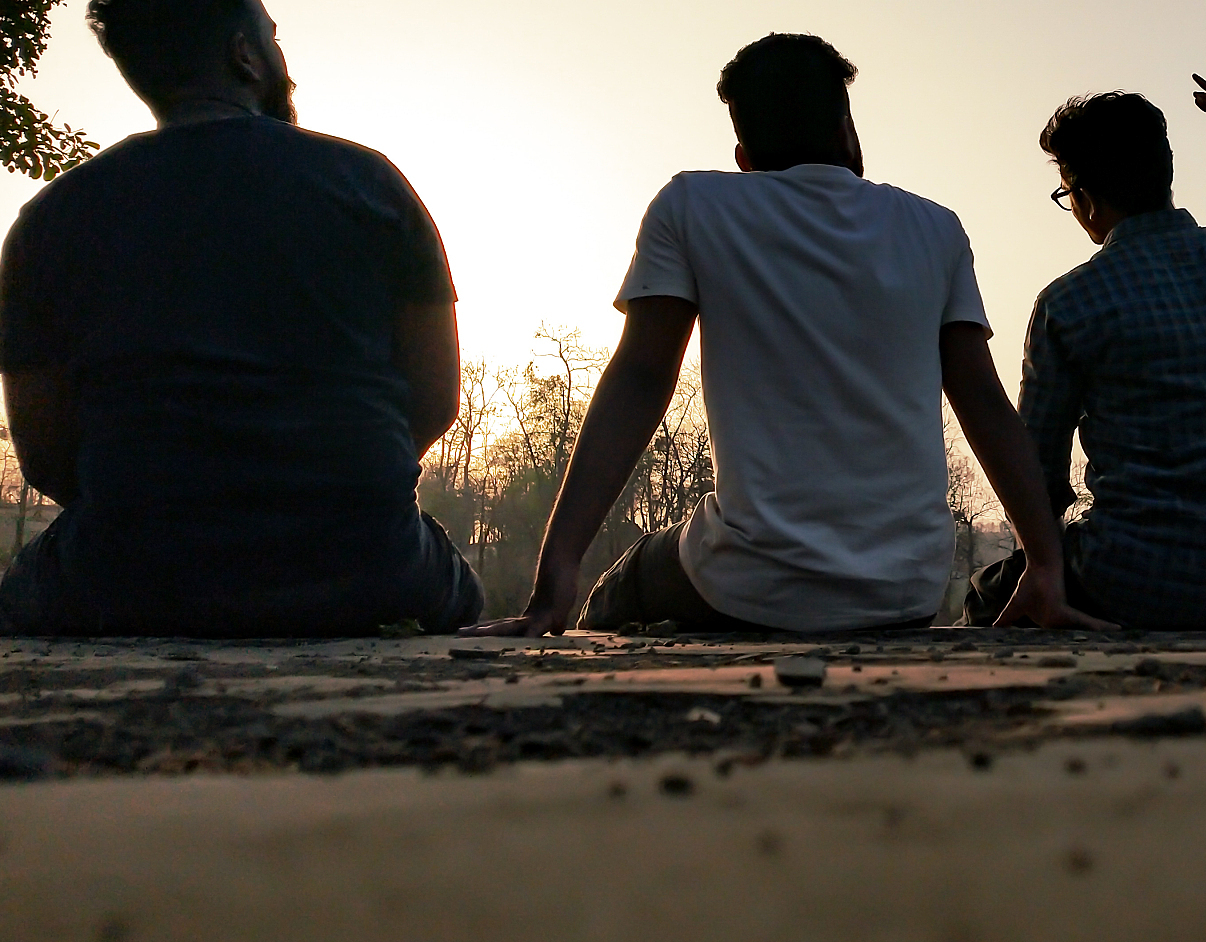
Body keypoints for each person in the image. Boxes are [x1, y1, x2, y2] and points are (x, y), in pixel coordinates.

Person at [463, 34, 1106, 638]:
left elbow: (639, 379)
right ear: (847, 127)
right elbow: (984, 404)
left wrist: (554, 577)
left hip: (748, 583)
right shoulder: (936, 230)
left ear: (743, 156)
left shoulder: (693, 208)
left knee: (620, 592)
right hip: (905, 589)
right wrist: (1043, 566)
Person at [0, 0, 483, 637]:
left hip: (128, 576)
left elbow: (45, 455)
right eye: (272, 38)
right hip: (369, 567)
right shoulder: (372, 186)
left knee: (8, 616)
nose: (285, 61)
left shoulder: (48, 221)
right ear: (244, 57)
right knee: (466, 599)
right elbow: (434, 401)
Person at [960, 78, 1206, 630]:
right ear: (1165, 172)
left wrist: (1043, 558)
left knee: (990, 597)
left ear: (1086, 196)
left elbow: (1037, 471)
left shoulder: (1069, 303)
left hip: (1132, 581)